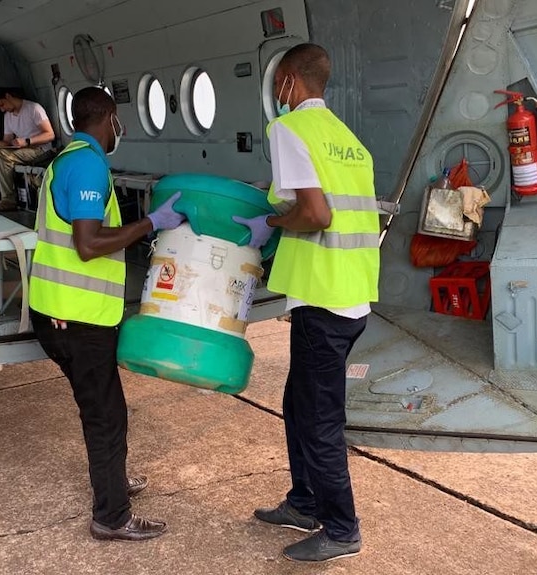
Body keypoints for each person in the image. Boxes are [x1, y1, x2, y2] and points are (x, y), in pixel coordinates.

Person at [233, 43, 380, 563]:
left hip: (323, 296)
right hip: (351, 293)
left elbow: (315, 214)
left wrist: (270, 222)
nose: (277, 91)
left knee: (318, 419)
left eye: (279, 82)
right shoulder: (349, 140)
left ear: (290, 82)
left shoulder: (288, 129)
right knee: (297, 403)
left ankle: (342, 529)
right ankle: (303, 502)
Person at [28, 86, 185, 541]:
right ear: (109, 119)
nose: (121, 130)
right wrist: (151, 224)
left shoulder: (67, 157)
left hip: (62, 311)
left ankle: (113, 483)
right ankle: (111, 517)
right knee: (105, 414)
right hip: (76, 319)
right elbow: (88, 244)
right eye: (119, 122)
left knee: (105, 408)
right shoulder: (88, 164)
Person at [0, 91, 56, 211]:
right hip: (21, 149)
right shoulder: (8, 116)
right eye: (0, 108)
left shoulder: (33, 108)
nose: (3, 109)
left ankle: (8, 199)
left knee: (3, 155)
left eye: (2, 105)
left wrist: (27, 141)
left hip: (40, 149)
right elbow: (6, 142)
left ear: (8, 96)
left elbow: (50, 134)